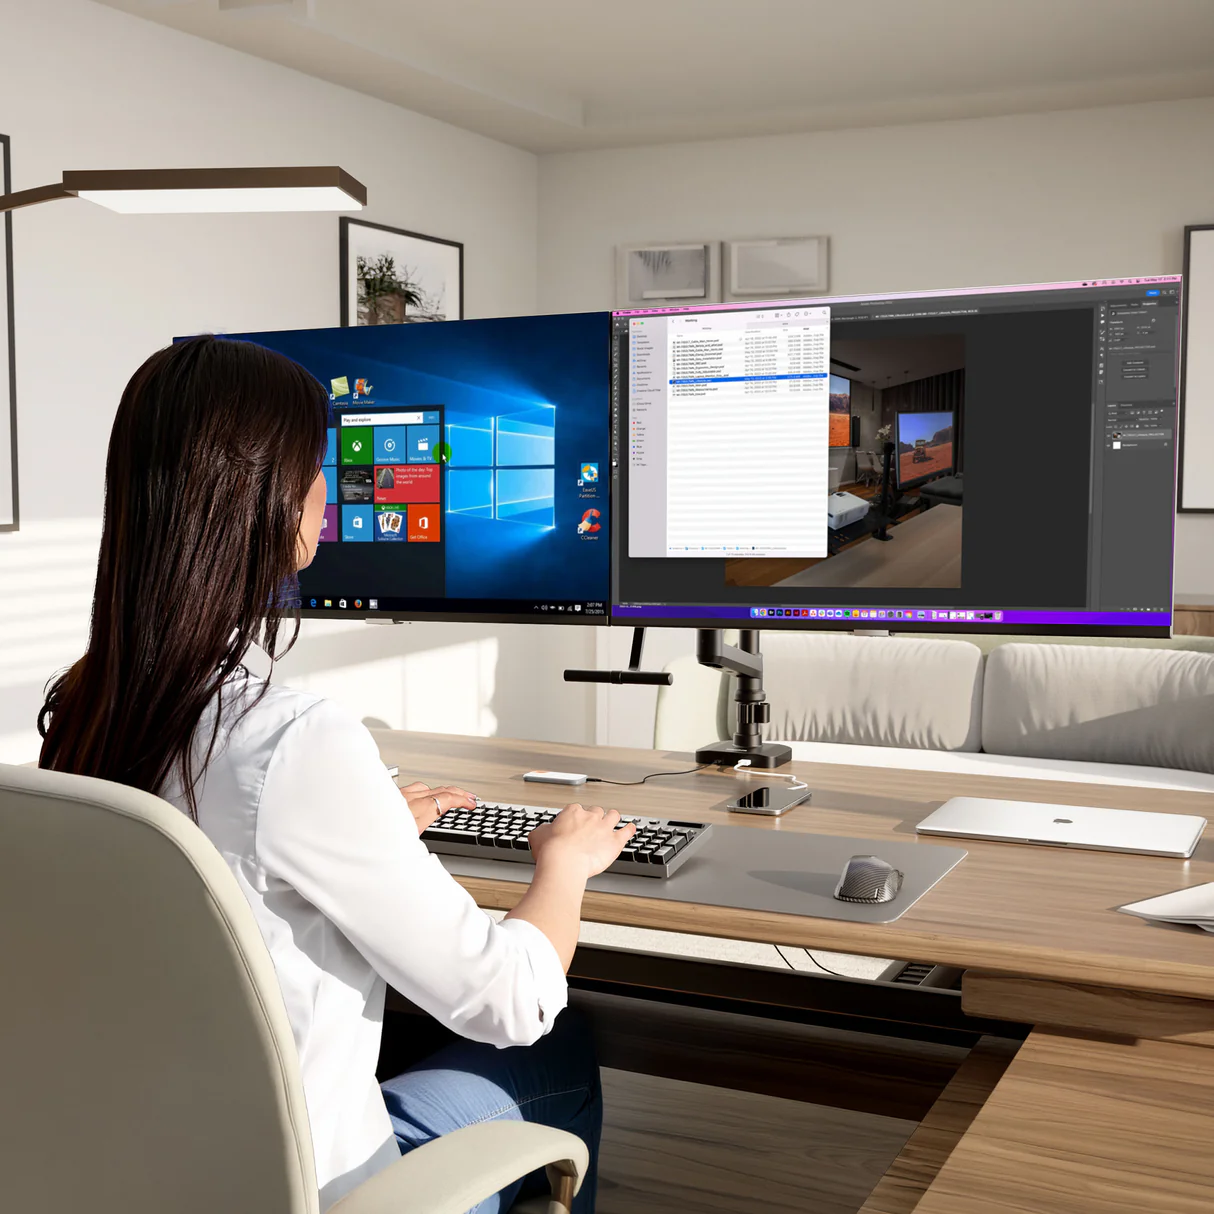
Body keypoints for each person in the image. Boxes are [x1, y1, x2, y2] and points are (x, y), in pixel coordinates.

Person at [38, 335, 632, 1212]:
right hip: (317, 1191)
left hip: (144, 1173)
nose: (328, 493)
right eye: (315, 466)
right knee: (558, 1045)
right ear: (265, 501)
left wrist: (369, 828)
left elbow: (211, 861)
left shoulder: (82, 710)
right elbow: (505, 1000)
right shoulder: (292, 742)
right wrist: (564, 867)